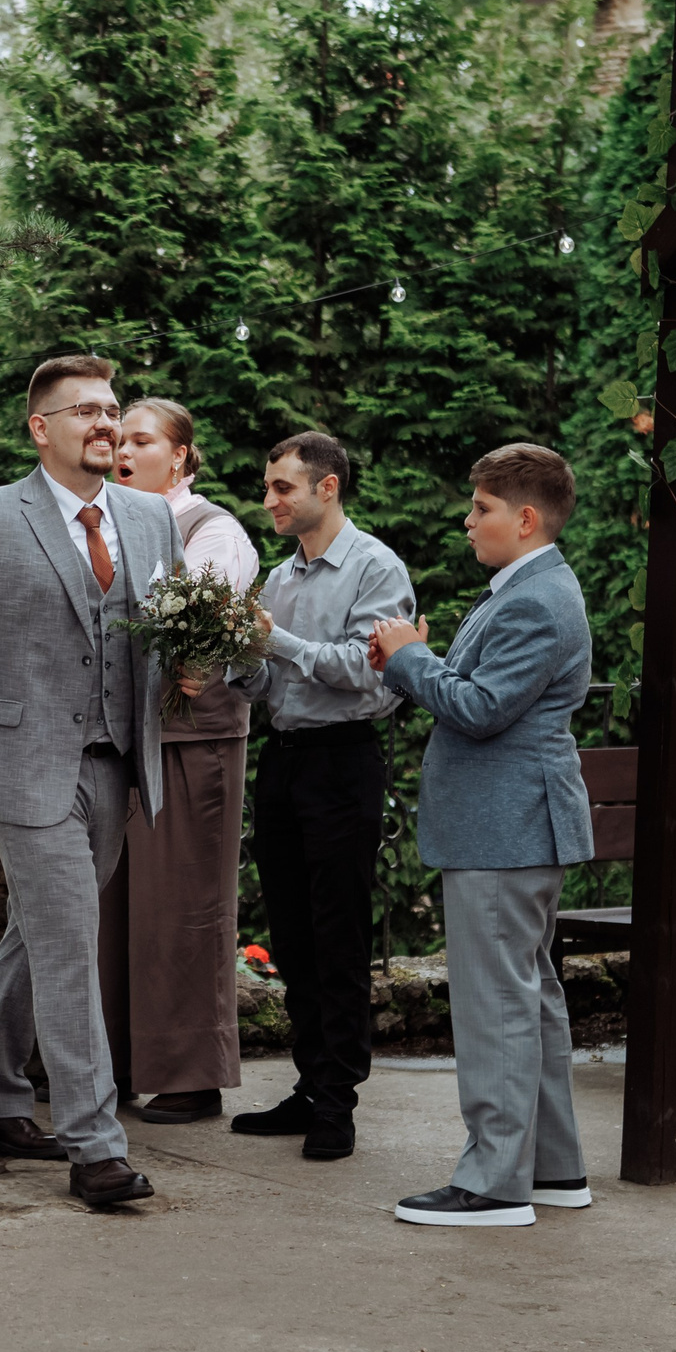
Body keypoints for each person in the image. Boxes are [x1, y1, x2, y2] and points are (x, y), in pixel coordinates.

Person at [0, 354, 182, 1210]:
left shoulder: (150, 520)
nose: (106, 422)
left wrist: (191, 668)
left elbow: (154, 637)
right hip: (23, 766)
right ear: (40, 428)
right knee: (66, 940)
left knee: (37, 933)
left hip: (114, 762)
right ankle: (95, 1143)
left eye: (113, 408)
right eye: (85, 409)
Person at [371, 443, 592, 1229]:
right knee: (528, 1003)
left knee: (499, 1005)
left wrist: (409, 658)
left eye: (482, 508)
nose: (468, 522)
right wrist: (413, 659)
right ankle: (555, 1168)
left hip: (505, 829)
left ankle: (496, 1182)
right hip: (513, 827)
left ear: (525, 518)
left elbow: (480, 707)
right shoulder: (525, 588)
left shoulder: (536, 597)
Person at [216, 432, 413, 1161]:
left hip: (343, 764)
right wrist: (238, 662)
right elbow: (271, 680)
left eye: (282, 488)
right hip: (285, 762)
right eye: (269, 487)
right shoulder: (278, 579)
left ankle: (338, 1101)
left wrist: (279, 642)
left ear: (326, 488)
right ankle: (309, 1084)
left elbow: (368, 675)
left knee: (339, 937)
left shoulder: (375, 566)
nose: (269, 500)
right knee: (294, 935)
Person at [98, 398, 258, 1124]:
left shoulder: (211, 529)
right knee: (114, 909)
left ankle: (191, 1074)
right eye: (118, 438)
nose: (121, 449)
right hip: (124, 736)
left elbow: (187, 618)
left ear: (183, 456)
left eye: (140, 439)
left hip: (193, 740)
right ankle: (117, 1064)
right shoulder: (104, 522)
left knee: (183, 909)